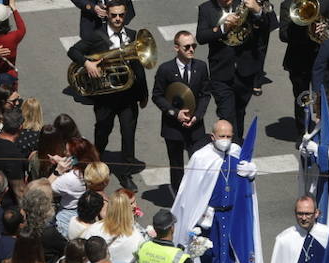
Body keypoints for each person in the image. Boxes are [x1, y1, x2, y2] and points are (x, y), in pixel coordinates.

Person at [170, 118, 264, 263]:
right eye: (222, 136)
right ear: (213, 137)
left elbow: (245, 180)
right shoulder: (201, 157)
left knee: (232, 255)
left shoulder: (237, 152)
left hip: (232, 214)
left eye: (229, 136)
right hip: (209, 217)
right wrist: (193, 219)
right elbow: (192, 191)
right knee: (209, 256)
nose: (226, 140)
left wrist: (251, 174)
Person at [66, 1, 147, 189]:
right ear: (107, 15)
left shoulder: (134, 36)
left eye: (121, 15)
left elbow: (139, 69)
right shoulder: (96, 36)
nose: (118, 19)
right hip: (106, 99)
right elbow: (73, 51)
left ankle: (126, 174)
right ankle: (96, 165)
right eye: (114, 15)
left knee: (128, 135)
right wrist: (87, 63)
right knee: (102, 132)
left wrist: (143, 94)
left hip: (128, 97)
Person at [196, 0, 276, 132]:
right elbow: (201, 36)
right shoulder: (206, 8)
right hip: (220, 72)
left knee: (239, 112)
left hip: (245, 71)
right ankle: (232, 144)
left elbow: (266, 28)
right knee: (226, 114)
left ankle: (236, 144)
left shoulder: (245, 3)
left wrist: (257, 11)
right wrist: (223, 28)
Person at [152, 30, 210, 193]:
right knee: (176, 165)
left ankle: (199, 193)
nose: (191, 49)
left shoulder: (201, 67)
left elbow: (205, 94)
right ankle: (178, 196)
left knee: (199, 163)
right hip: (173, 127)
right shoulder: (166, 69)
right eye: (187, 47)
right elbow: (157, 96)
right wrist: (175, 113)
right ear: (176, 47)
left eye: (193, 46)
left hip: (195, 126)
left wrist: (197, 116)